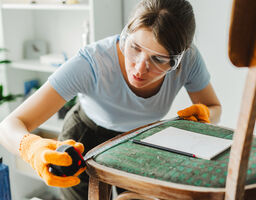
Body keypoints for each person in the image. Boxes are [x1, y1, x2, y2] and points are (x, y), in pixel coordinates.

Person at [0, 0, 221, 199]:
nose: (139, 68)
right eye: (134, 47)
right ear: (126, 33)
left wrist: (205, 115)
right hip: (86, 138)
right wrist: (32, 148)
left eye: (158, 59)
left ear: (178, 58)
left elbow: (214, 106)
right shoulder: (92, 62)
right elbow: (8, 126)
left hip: (142, 142)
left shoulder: (190, 61)